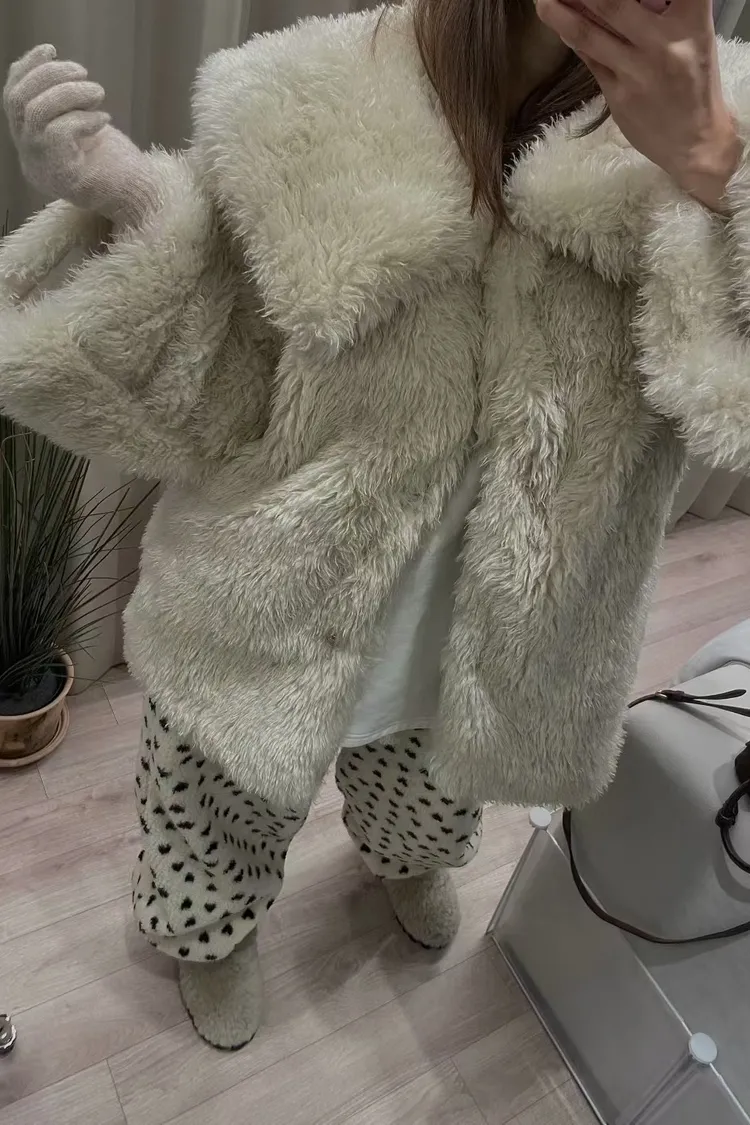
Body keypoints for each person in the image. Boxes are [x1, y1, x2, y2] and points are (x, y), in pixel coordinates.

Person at [1, 0, 748, 1050]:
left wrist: (716, 166)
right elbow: (221, 377)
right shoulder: (316, 89)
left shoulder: (729, 119)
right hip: (277, 578)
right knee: (217, 790)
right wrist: (129, 195)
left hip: (496, 619)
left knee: (432, 787)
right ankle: (209, 930)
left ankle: (404, 858)